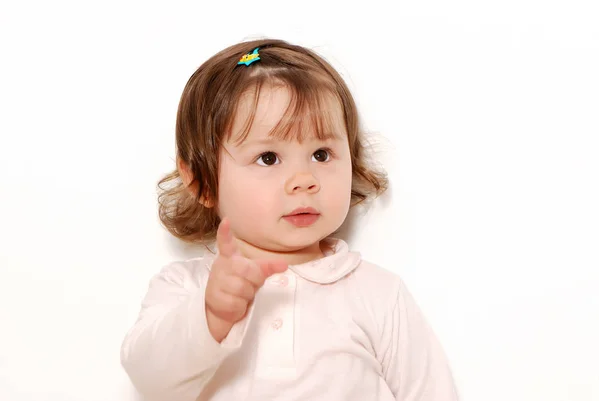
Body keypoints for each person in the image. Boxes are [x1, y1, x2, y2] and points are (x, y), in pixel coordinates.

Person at [120, 38, 459, 401]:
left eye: (321, 154)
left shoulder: (378, 294)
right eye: (268, 157)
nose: (303, 179)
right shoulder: (184, 287)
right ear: (202, 183)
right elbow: (147, 377)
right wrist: (210, 314)